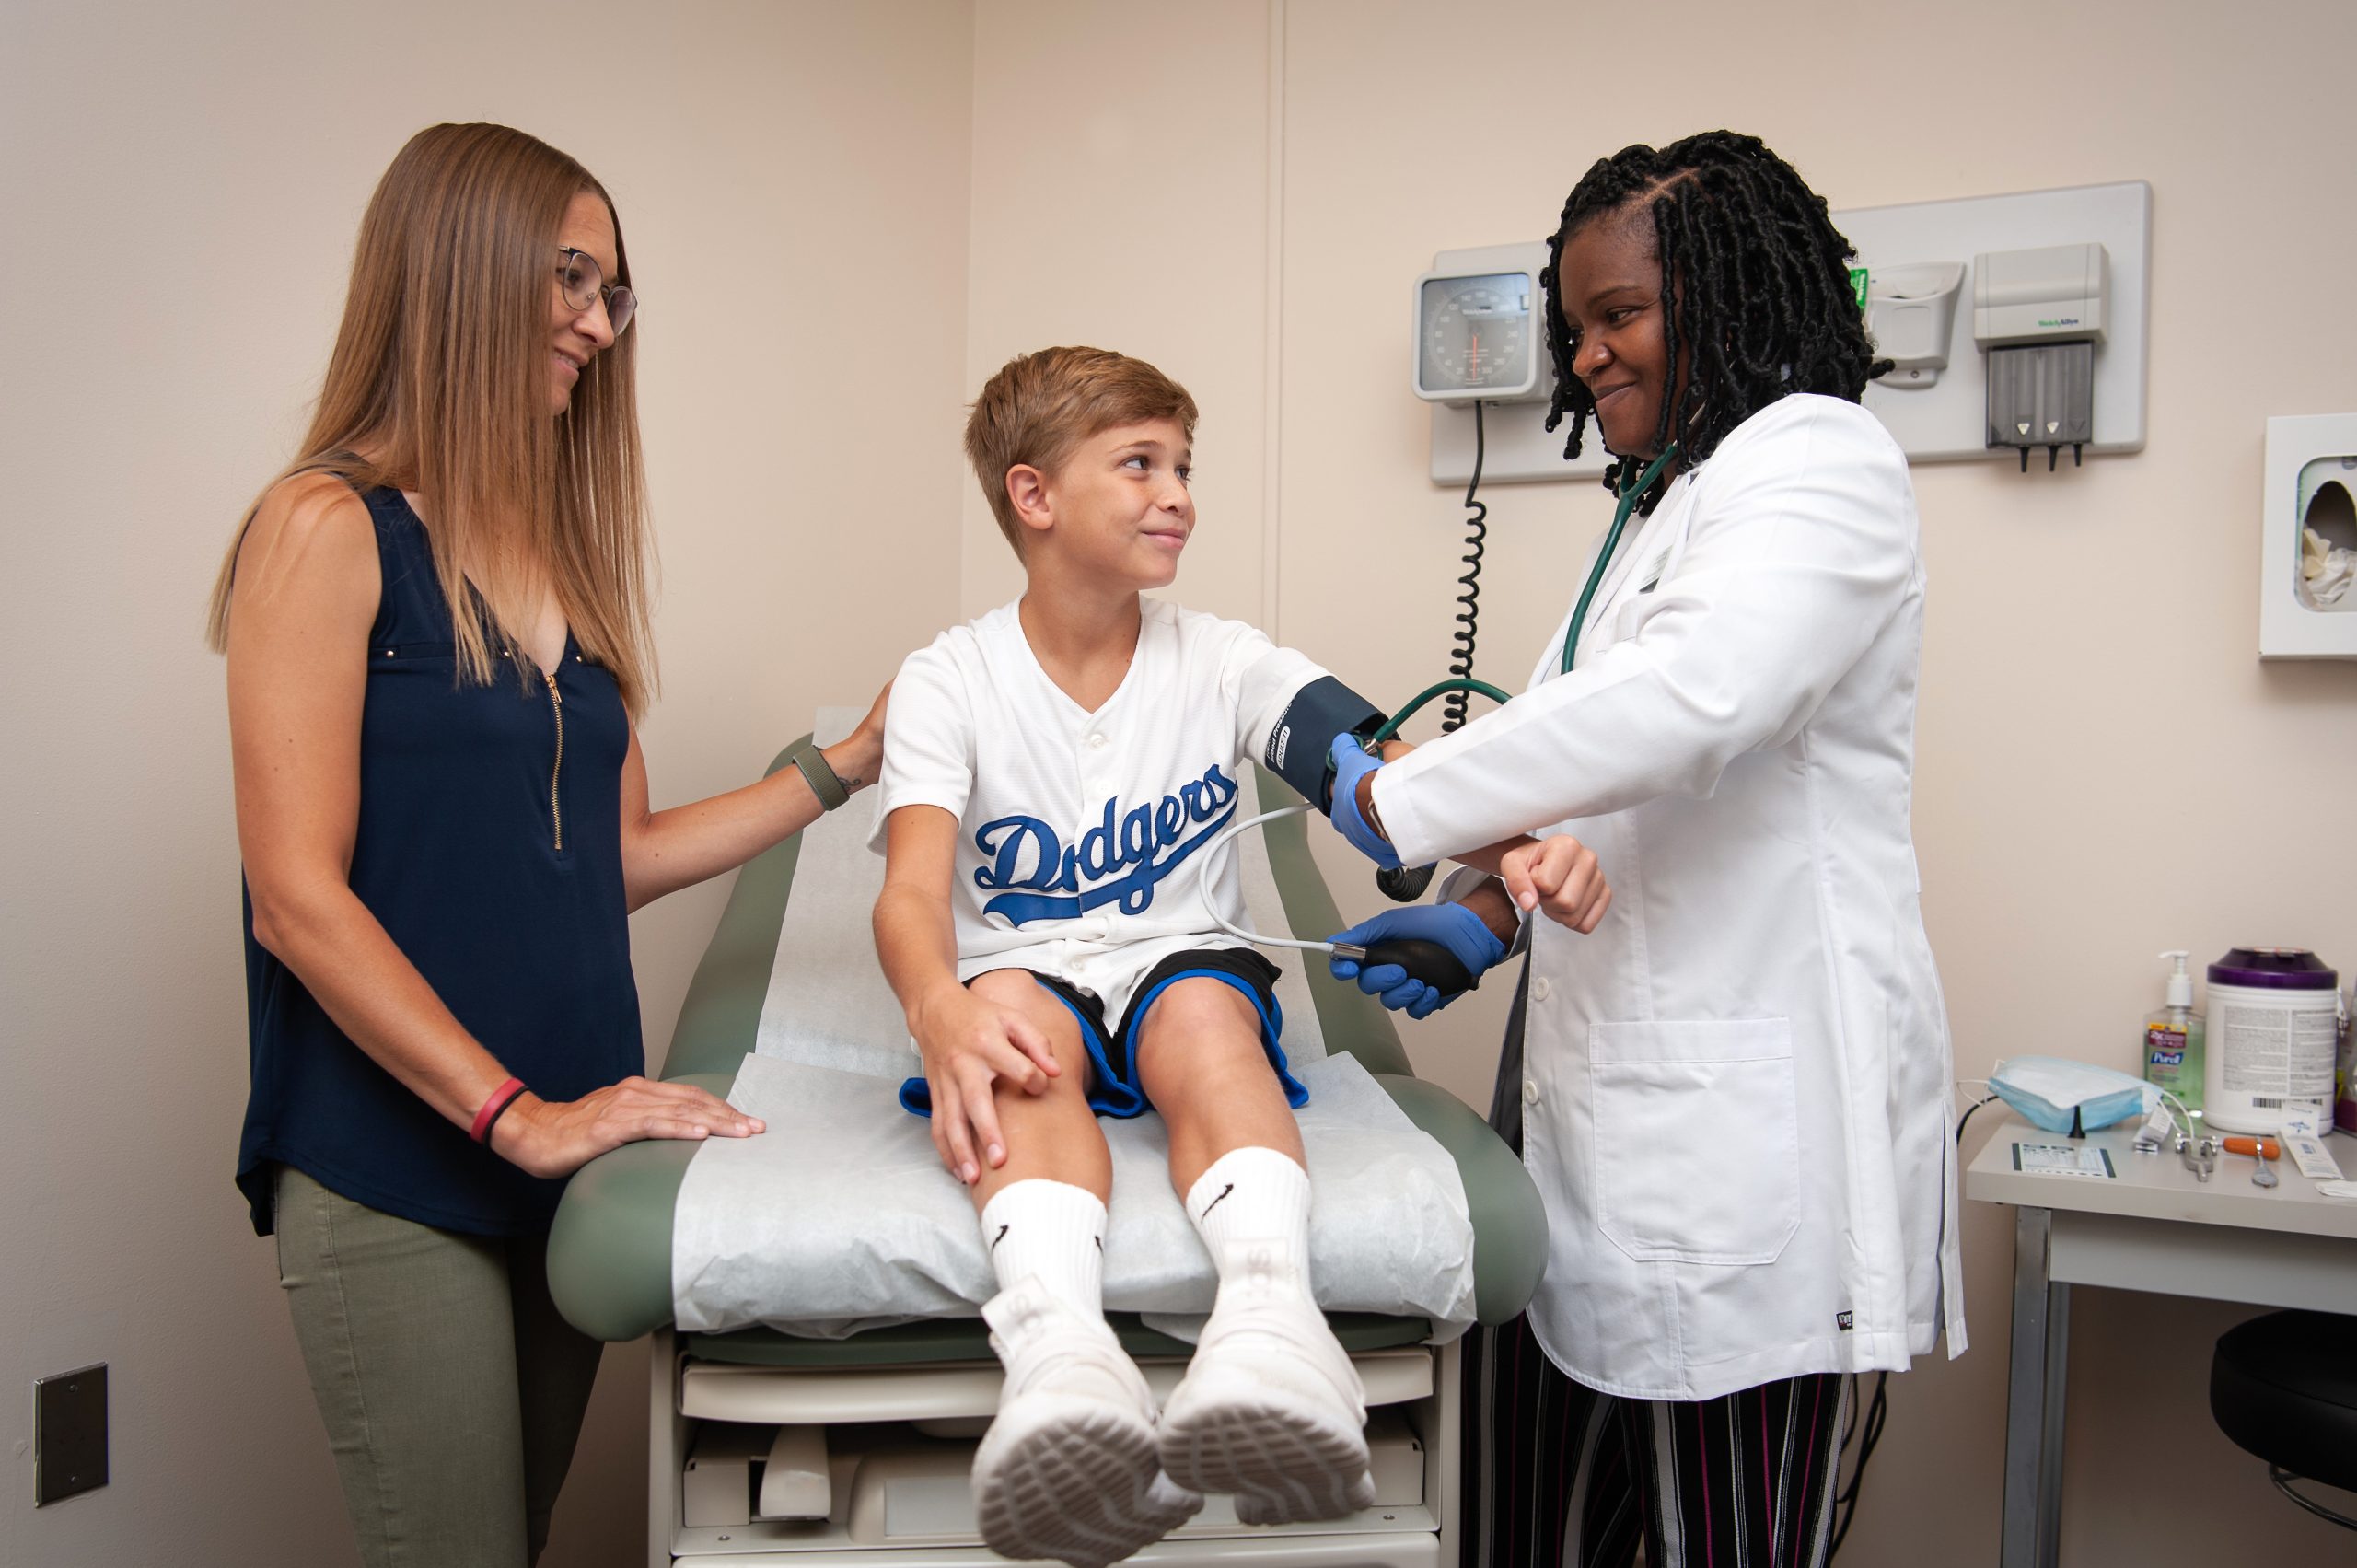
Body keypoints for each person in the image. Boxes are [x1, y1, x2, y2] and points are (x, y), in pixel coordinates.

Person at [211, 122, 888, 1568]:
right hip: (401, 1152)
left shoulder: (557, 567)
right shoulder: (322, 529)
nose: (597, 320)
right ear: (459, 270)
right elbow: (296, 901)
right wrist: (516, 1114)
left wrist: (844, 766)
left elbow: (617, 857)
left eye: (612, 291)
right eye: (570, 278)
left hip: (573, 1144)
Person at [1322, 132, 1968, 1568]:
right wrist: (1487, 910)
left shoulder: (1821, 462)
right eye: (1576, 326)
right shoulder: (1664, 511)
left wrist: (1392, 798)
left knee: (1717, 1537)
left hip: (1737, 1149)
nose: (1591, 356)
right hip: (1600, 1137)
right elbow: (1582, 773)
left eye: (1621, 315)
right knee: (1548, 1525)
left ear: (1734, 296)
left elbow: (1693, 706)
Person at [870, 347, 1606, 1568]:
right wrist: (938, 1008)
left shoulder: (1224, 660)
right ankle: (1060, 1361)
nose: (1180, 496)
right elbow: (908, 892)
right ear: (1033, 496)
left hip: (1181, 967)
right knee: (1014, 1037)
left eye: (1186, 468)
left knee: (1207, 1016)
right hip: (1027, 975)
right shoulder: (949, 679)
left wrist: (1519, 851)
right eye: (1141, 465)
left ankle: (1270, 1324)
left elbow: (1378, 779)